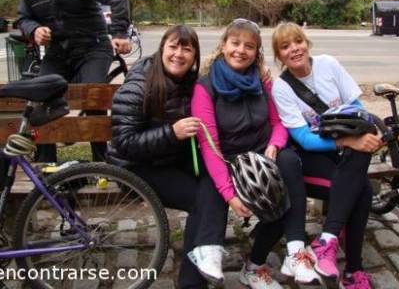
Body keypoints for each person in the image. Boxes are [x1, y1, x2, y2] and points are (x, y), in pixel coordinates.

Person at [191, 18, 321, 288]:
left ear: (257, 52)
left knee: (287, 163)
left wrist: (274, 144)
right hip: (228, 162)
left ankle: (289, 253)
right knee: (218, 186)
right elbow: (209, 145)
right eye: (235, 43)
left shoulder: (262, 82)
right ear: (223, 46)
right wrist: (229, 194)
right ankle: (214, 251)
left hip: (264, 155)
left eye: (249, 46)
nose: (241, 50)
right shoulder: (205, 87)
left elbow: (278, 123)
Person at [109, 25, 227, 288]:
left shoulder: (192, 82)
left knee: (217, 184)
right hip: (135, 167)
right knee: (202, 200)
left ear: (195, 55)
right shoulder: (140, 84)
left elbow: (227, 75)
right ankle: (193, 280)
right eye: (173, 46)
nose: (179, 54)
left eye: (187, 48)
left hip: (170, 160)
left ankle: (204, 260)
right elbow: (124, 143)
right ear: (163, 48)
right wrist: (171, 134)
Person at [271, 22, 382, 289]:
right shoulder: (282, 88)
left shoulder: (328, 64)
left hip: (342, 152)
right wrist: (347, 141)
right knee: (362, 192)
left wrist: (364, 134)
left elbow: (357, 108)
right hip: (310, 158)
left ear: (306, 43)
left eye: (297, 41)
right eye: (285, 47)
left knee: (363, 145)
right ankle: (352, 269)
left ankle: (328, 241)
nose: (294, 49)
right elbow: (305, 140)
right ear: (279, 56)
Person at [17, 0, 131, 162]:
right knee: (41, 97)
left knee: (93, 97)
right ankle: (46, 167)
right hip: (57, 52)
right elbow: (23, 18)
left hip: (93, 47)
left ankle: (103, 164)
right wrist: (34, 30)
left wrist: (119, 33)